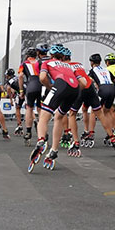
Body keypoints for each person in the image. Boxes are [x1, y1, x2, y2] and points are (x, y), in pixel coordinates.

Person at [28, 44, 87, 173]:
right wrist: (74, 92)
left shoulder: (47, 62)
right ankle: (54, 150)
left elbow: (42, 78)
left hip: (60, 85)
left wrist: (50, 87)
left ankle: (41, 140)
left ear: (52, 55)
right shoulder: (70, 66)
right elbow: (84, 83)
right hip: (75, 89)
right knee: (59, 117)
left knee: (44, 115)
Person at [88, 53, 115, 148]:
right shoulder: (106, 70)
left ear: (92, 62)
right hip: (112, 89)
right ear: (100, 62)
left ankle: (91, 133)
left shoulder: (92, 70)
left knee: (94, 112)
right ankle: (111, 133)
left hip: (103, 89)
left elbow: (89, 81)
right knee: (107, 112)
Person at [19, 48, 42, 143]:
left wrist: (21, 90)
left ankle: (28, 131)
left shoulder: (24, 64)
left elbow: (20, 76)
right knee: (41, 109)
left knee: (29, 108)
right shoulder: (40, 63)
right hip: (41, 85)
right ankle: (42, 131)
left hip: (31, 85)